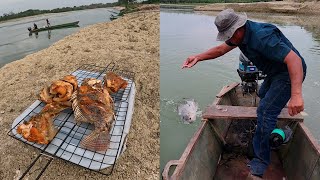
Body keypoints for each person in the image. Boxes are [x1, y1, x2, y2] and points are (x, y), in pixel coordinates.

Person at [182, 9, 306, 179]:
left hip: (287, 74)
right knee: (262, 93)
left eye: (229, 35)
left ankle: (261, 161)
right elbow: (220, 50)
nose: (228, 39)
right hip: (274, 72)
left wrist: (296, 95)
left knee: (264, 111)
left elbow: (295, 60)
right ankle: (271, 127)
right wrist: (198, 57)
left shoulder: (262, 37)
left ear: (238, 29)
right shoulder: (239, 37)